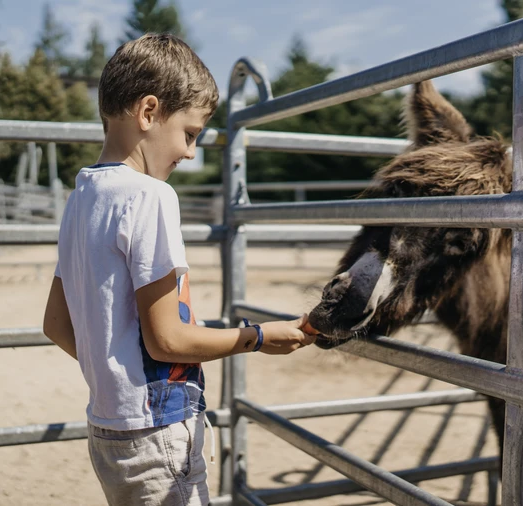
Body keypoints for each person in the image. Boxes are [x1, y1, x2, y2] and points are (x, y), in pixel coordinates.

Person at [42, 33, 318, 506]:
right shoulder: (150, 196)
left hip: (108, 429)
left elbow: (56, 324)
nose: (191, 152)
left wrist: (115, 377)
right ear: (148, 112)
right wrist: (257, 336)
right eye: (189, 134)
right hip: (158, 430)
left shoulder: (82, 196)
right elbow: (167, 340)